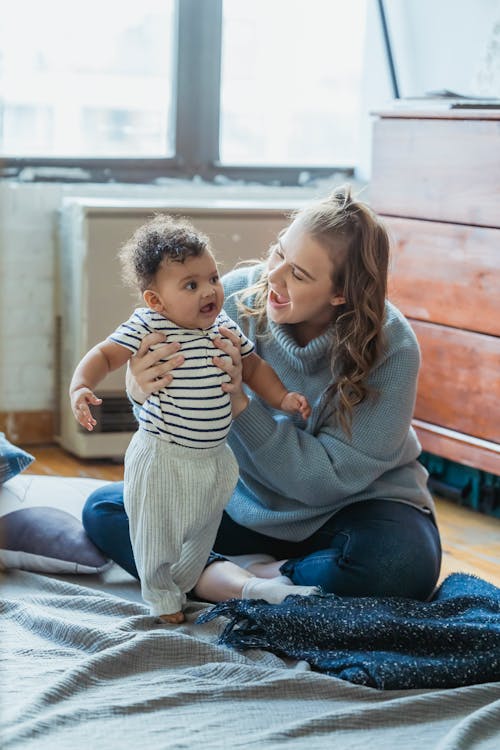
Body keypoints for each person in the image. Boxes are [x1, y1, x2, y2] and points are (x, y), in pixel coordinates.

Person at [82, 186, 442, 610]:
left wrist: (242, 408)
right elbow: (168, 417)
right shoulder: (225, 302)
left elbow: (325, 481)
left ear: (340, 294)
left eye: (300, 275)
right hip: (239, 500)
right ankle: (249, 582)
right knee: (106, 509)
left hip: (351, 507)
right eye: (278, 253)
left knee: (401, 565)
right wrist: (140, 389)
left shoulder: (392, 348)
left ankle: (230, 575)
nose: (272, 276)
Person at [70, 214, 313, 623]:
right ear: (156, 300)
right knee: (155, 531)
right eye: (191, 285)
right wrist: (81, 385)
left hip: (213, 459)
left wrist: (283, 397)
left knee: (200, 532)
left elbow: (253, 368)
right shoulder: (149, 325)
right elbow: (106, 354)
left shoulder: (223, 325)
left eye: (213, 278)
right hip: (163, 457)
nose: (210, 291)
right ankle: (161, 593)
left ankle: (191, 577)